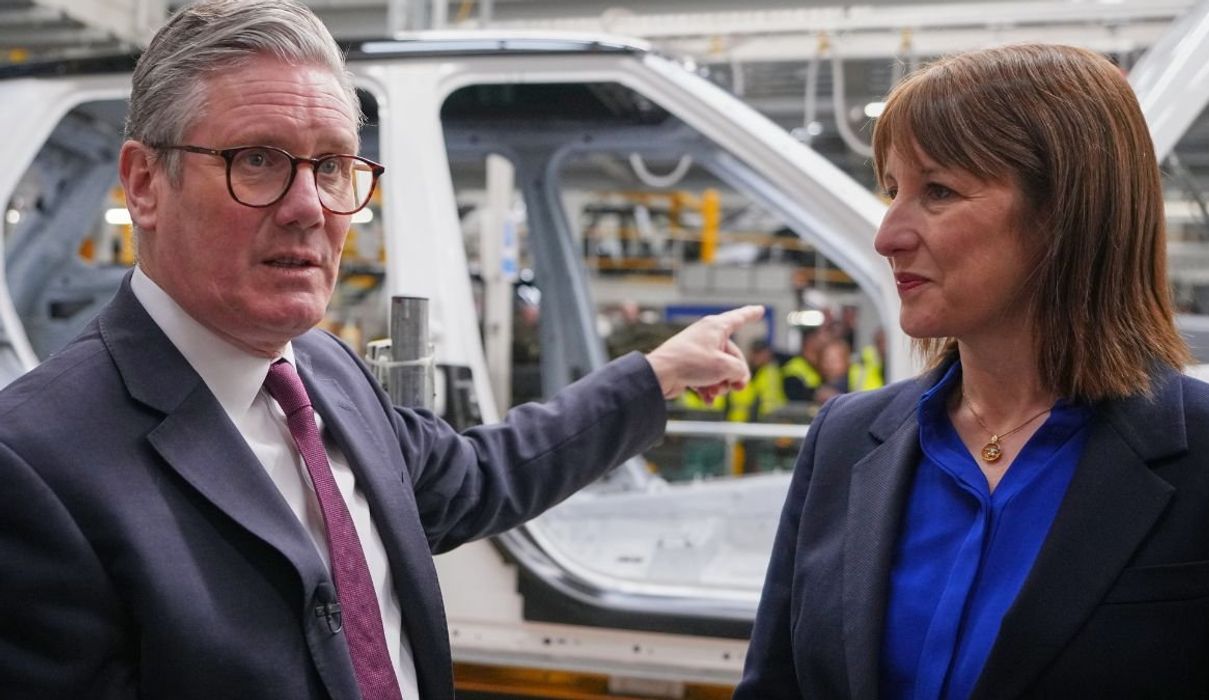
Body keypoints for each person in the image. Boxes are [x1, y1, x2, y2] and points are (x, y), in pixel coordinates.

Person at [0, 2, 762, 698]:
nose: (309, 209)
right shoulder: (34, 465)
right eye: (256, 160)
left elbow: (472, 477)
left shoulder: (325, 373)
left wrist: (654, 377)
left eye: (332, 167)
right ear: (143, 185)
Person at [736, 43, 1209, 698]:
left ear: (1066, 212)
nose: (887, 234)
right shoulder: (844, 439)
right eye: (892, 190)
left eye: (937, 191)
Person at [781, 325, 828, 402]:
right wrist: (816, 394)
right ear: (808, 344)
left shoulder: (815, 367)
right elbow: (794, 395)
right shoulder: (794, 367)